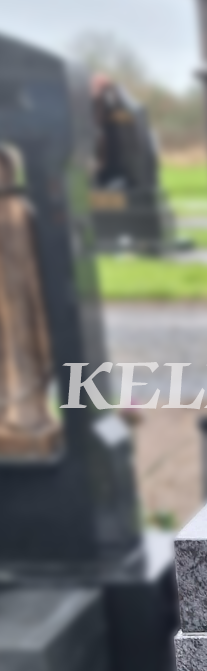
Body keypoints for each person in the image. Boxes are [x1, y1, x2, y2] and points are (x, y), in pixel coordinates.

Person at [0, 145, 62, 459]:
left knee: (19, 356)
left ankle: (23, 415)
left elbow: (33, 273)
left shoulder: (17, 211)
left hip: (15, 305)